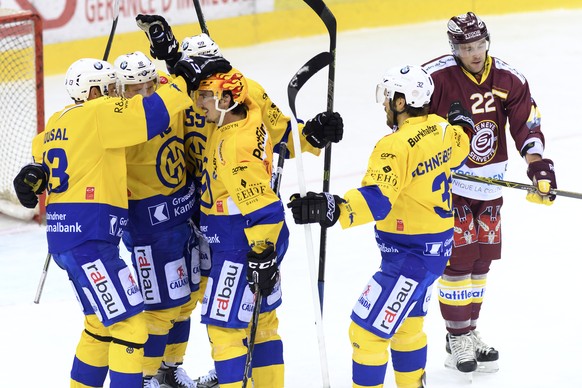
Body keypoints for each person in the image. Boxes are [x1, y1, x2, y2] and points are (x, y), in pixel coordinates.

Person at [134, 13, 343, 388]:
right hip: (228, 224)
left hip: (240, 232)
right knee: (257, 323)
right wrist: (164, 57)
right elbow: (276, 138)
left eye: (206, 93)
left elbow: (269, 176)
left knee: (225, 328)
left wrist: (310, 135)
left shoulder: (238, 129)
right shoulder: (220, 106)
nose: (199, 102)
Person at [11, 56, 218, 387]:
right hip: (91, 242)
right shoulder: (100, 112)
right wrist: (180, 81)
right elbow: (151, 116)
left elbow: (42, 156)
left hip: (66, 239)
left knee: (98, 326)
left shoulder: (58, 119)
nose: (117, 96)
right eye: (110, 88)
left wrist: (33, 172)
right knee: (131, 327)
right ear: (93, 92)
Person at [287, 65, 470, 388]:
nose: (385, 104)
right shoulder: (443, 128)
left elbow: (377, 199)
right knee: (406, 329)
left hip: (409, 260)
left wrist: (332, 207)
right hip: (435, 252)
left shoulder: (395, 145)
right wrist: (462, 124)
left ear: (402, 102)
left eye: (389, 98)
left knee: (366, 334)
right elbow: (461, 144)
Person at [421, 12, 557, 374]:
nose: (475, 53)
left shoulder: (508, 79)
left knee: (482, 261)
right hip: (449, 187)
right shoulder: (434, 78)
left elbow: (526, 121)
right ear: (454, 48)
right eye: (467, 47)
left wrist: (538, 164)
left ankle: (469, 330)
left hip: (490, 183)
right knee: (459, 261)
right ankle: (455, 339)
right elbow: (405, 117)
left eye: (480, 44)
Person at [113, 51, 201, 388]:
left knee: (185, 301)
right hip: (145, 223)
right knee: (159, 308)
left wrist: (174, 54)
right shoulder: (115, 117)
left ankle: (169, 367)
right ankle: (146, 376)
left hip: (182, 211)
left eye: (145, 85)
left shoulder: (166, 92)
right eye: (131, 89)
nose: (140, 93)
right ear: (119, 90)